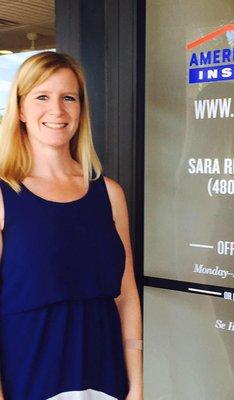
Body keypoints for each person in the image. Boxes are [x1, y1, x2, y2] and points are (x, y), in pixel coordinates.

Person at [0, 51, 142, 400]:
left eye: (68, 98)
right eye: (42, 97)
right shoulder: (3, 196)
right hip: (29, 376)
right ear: (20, 109)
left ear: (81, 109)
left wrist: (137, 383)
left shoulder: (109, 194)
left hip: (105, 376)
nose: (57, 111)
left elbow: (127, 296)